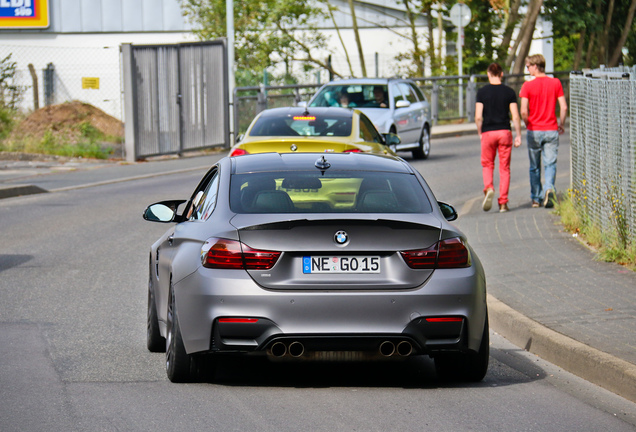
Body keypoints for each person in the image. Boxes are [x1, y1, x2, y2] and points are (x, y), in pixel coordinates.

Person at [519, 53, 568, 208]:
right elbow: (564, 106)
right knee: (550, 163)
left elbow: (523, 111)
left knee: (534, 166)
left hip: (534, 130)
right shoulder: (555, 83)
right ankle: (549, 189)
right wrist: (561, 123)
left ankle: (536, 198)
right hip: (551, 129)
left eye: (528, 67)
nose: (527, 70)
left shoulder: (527, 86)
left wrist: (528, 123)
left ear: (535, 66)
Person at [475, 62, 522, 213]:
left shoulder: (482, 92)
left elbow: (477, 117)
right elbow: (515, 116)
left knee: (488, 164)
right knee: (504, 168)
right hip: (504, 133)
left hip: (488, 132)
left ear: (488, 74)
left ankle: (489, 187)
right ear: (501, 74)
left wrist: (480, 132)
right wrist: (518, 134)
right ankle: (503, 203)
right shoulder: (509, 92)